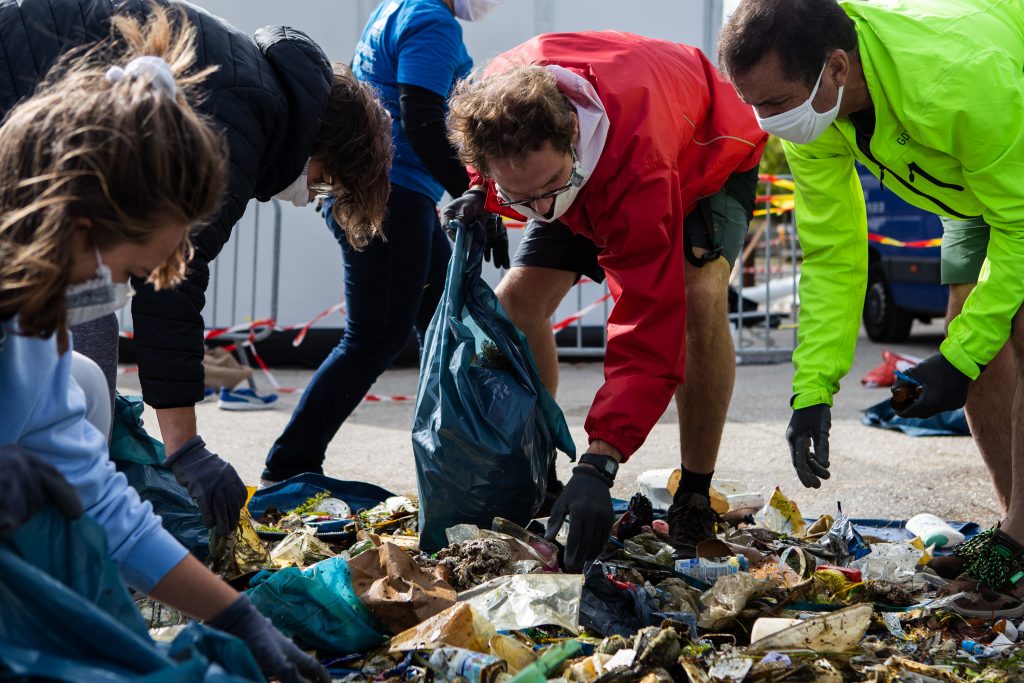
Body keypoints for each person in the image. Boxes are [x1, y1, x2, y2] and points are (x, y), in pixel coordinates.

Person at [0, 11, 329, 682]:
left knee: (88, 393)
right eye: (124, 270)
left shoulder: (34, 327)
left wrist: (240, 616)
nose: (119, 292)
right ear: (78, 225)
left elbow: (104, 501)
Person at [0, 0, 393, 537]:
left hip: (24, 74)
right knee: (73, 389)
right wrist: (186, 449)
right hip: (16, 87)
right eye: (324, 185)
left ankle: (81, 501)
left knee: (82, 374)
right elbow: (171, 284)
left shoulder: (254, 81)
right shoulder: (243, 121)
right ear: (327, 146)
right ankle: (75, 510)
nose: (309, 200)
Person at [719, 0, 1024, 613]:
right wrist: (813, 391)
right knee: (975, 333)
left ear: (836, 67)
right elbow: (833, 254)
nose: (764, 120)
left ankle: (1019, 543)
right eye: (753, 102)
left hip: (1008, 155)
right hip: (974, 191)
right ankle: (1012, 532)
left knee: (1004, 332)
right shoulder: (812, 113)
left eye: (774, 103)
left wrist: (957, 359)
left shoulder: (960, 79)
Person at [443, 31, 766, 570]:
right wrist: (484, 191)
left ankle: (693, 498)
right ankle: (536, 476)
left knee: (695, 298)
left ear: (571, 131)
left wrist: (601, 461)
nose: (540, 209)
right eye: (522, 197)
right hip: (576, 171)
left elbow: (646, 324)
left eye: (545, 187)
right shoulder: (499, 114)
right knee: (513, 309)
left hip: (700, 157)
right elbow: (521, 177)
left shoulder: (638, 164)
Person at [262, 0, 505, 484]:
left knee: (444, 327)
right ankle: (289, 466)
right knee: (375, 339)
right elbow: (420, 117)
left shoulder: (396, 8)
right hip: (393, 195)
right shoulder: (430, 20)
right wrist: (476, 191)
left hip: (389, 191)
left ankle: (470, 464)